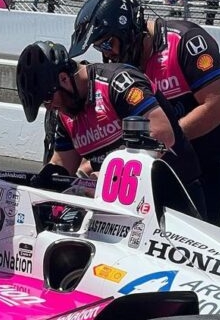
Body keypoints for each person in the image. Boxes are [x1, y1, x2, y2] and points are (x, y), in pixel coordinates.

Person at [69, 0, 220, 226]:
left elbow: (217, 107)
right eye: (100, 48)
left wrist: (161, 139)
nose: (107, 54)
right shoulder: (121, 69)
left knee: (198, 238)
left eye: (108, 44)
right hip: (161, 162)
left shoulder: (186, 40)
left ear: (127, 29)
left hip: (208, 159)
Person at [16, 40, 204, 213]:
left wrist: (109, 177)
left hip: (175, 196)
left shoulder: (119, 83)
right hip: (124, 207)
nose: (49, 107)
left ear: (64, 79)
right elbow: (61, 165)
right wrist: (37, 189)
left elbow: (162, 135)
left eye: (48, 99)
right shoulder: (65, 114)